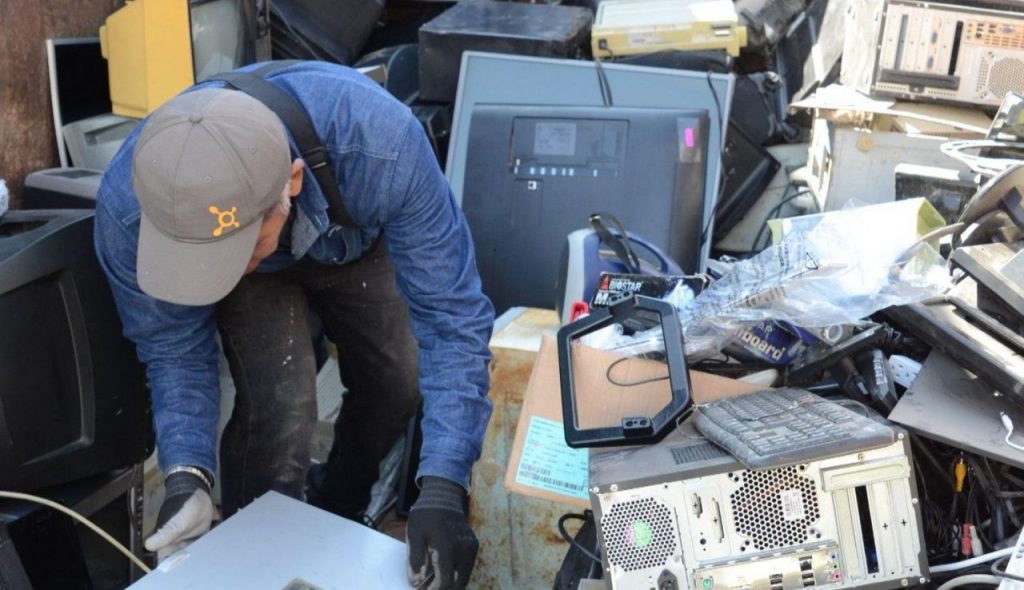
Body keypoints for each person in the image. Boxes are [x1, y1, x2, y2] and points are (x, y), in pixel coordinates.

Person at [94, 61, 494, 589]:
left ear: (293, 180)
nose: (220, 272)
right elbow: (172, 348)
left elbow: (451, 320)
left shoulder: (382, 144)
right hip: (262, 271)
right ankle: (257, 564)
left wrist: (444, 486)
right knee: (280, 409)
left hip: (350, 228)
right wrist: (186, 474)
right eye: (203, 260)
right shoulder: (128, 209)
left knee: (399, 378)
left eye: (235, 251)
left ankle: (340, 507)